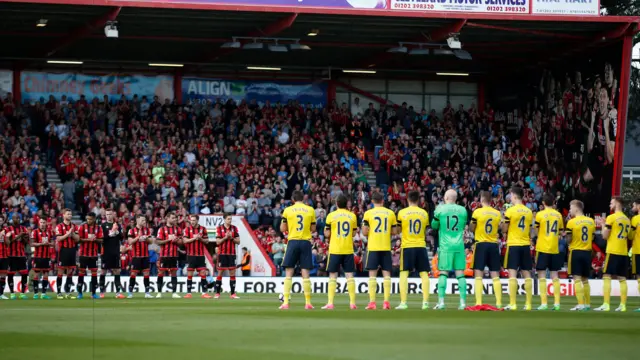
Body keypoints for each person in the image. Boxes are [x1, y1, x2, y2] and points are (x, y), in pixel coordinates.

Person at [432, 189, 469, 310]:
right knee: (460, 274)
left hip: (445, 246)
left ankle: (441, 302)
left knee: (443, 273)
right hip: (459, 246)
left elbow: (434, 226)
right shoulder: (463, 210)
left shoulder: (440, 209)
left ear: (446, 198)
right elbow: (463, 226)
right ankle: (463, 303)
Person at [279, 190, 316, 310]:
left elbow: (282, 228)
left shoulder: (288, 210)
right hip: (305, 241)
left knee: (289, 272)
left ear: (293, 199)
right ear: (303, 199)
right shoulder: (310, 210)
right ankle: (308, 303)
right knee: (305, 273)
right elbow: (313, 228)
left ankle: (285, 302)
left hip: (293, 241)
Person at [361, 191, 397, 310]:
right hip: (386, 247)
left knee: (372, 275)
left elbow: (364, 232)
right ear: (383, 201)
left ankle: (372, 302)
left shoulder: (368, 213)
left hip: (373, 247)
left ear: (372, 201)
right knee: (387, 275)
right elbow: (394, 232)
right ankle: (386, 302)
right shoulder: (390, 213)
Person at [395, 190, 430, 310]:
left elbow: (398, 230)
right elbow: (425, 230)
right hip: (420, 245)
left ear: (408, 200)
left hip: (407, 246)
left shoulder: (402, 213)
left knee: (404, 274)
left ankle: (403, 303)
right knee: (424, 273)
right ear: (419, 201)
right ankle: (425, 303)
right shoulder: (424, 213)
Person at [322, 194, 358, 310]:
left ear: (336, 204)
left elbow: (327, 234)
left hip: (335, 249)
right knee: (349, 276)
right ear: (346, 203)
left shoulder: (331, 216)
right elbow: (353, 233)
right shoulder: (352, 216)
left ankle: (330, 303)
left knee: (333, 276)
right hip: (348, 249)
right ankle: (352, 303)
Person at [595, 197, 631, 312]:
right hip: (623, 251)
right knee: (622, 278)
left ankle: (606, 304)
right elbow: (629, 236)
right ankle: (623, 305)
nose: (610, 204)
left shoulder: (611, 217)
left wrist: (603, 224)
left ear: (617, 203)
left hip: (613, 250)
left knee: (606, 276)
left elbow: (605, 236)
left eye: (611, 202)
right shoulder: (627, 219)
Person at [502, 186, 534, 311]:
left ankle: (513, 304)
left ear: (514, 196)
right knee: (527, 274)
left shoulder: (510, 211)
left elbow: (504, 229)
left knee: (513, 274)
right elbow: (531, 230)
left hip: (514, 244)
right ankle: (529, 304)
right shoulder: (529, 211)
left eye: (510, 195)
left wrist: (503, 222)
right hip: (525, 244)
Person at [469, 191, 503, 308]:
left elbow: (472, 228)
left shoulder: (477, 212)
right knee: (495, 274)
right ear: (491, 200)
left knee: (478, 273)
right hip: (493, 244)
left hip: (481, 244)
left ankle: (478, 302)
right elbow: (502, 228)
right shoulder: (497, 213)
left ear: (482, 200)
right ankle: (498, 303)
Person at [533, 193, 564, 311]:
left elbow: (535, 231)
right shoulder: (558, 215)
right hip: (554, 248)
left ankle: (544, 303)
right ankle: (557, 303)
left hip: (542, 247)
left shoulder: (540, 215)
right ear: (553, 203)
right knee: (554, 275)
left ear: (543, 203)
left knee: (541, 275)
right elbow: (561, 232)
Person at [565, 200, 595, 311]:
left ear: (576, 208)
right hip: (587, 252)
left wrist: (566, 235)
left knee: (577, 279)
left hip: (576, 251)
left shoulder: (571, 222)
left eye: (570, 208)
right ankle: (587, 304)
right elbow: (592, 237)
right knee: (585, 280)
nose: (569, 210)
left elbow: (569, 240)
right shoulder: (591, 221)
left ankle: (580, 304)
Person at [183, 214, 212, 299]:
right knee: (189, 274)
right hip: (191, 255)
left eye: (194, 220)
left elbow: (207, 241)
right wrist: (194, 238)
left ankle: (204, 293)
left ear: (197, 220)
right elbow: (185, 240)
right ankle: (189, 293)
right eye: (191, 220)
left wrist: (201, 239)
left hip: (200, 256)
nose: (192, 222)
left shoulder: (203, 229)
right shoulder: (187, 229)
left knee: (203, 273)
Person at [99, 208, 125, 299]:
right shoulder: (102, 226)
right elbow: (100, 239)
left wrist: (117, 232)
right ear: (105, 215)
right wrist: (109, 235)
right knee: (103, 271)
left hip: (115, 252)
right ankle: (101, 292)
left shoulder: (118, 225)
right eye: (107, 214)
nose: (109, 216)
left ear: (113, 215)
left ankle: (118, 293)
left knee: (116, 271)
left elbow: (122, 238)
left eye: (110, 214)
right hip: (106, 252)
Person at [155, 212, 182, 299]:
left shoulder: (178, 229)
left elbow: (181, 243)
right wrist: (168, 239)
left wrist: (176, 240)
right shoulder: (161, 229)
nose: (175, 219)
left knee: (174, 273)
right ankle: (159, 292)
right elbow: (158, 242)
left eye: (175, 218)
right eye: (173, 218)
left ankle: (174, 293)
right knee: (161, 273)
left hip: (174, 255)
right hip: (164, 255)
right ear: (167, 218)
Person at [77, 212, 104, 299]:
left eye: (90, 219)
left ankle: (93, 293)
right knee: (81, 273)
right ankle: (80, 293)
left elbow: (101, 240)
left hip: (93, 254)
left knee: (94, 274)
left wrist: (95, 239)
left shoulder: (98, 228)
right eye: (87, 219)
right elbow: (78, 240)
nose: (88, 220)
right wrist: (88, 239)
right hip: (83, 254)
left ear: (94, 219)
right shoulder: (82, 227)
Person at [127, 215, 154, 299]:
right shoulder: (131, 231)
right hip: (136, 256)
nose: (144, 222)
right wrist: (138, 237)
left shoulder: (147, 230)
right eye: (142, 220)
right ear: (137, 220)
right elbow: (130, 242)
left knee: (146, 274)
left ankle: (147, 293)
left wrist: (146, 238)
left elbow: (150, 242)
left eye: (145, 220)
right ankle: (130, 293)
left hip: (145, 256)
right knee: (133, 274)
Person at [215, 213, 241, 299]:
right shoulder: (219, 228)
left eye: (231, 219)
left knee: (232, 273)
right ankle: (217, 293)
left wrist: (232, 238)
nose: (230, 220)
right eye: (228, 219)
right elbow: (218, 242)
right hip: (222, 254)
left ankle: (233, 294)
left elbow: (238, 241)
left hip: (232, 254)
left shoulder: (234, 228)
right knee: (220, 273)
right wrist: (226, 238)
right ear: (224, 219)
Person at [55, 209, 79, 299]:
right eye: (68, 214)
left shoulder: (74, 226)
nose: (70, 215)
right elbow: (58, 239)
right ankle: (58, 293)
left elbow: (77, 239)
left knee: (70, 272)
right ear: (63, 215)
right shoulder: (59, 226)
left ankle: (68, 292)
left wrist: (71, 233)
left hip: (72, 250)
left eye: (70, 214)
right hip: (63, 250)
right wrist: (67, 234)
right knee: (60, 271)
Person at [5, 214, 29, 299]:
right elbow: (8, 243)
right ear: (12, 219)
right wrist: (18, 236)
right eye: (16, 218)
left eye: (19, 218)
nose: (18, 219)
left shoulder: (24, 229)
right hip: (11, 256)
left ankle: (22, 293)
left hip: (21, 255)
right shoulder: (8, 229)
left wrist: (24, 238)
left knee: (24, 274)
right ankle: (12, 293)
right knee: (10, 274)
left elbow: (26, 242)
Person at [31, 218, 54, 299]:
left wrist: (49, 243)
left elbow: (53, 243)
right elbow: (32, 243)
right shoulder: (35, 232)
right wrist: (41, 244)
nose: (42, 224)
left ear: (46, 223)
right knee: (36, 274)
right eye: (41, 222)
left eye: (44, 222)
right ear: (38, 223)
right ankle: (36, 293)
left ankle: (43, 294)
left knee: (46, 274)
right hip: (38, 256)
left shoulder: (50, 232)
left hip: (47, 256)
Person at [630, 199, 640, 312]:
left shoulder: (635, 219)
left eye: (633, 205)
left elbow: (631, 236)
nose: (632, 208)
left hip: (638, 251)